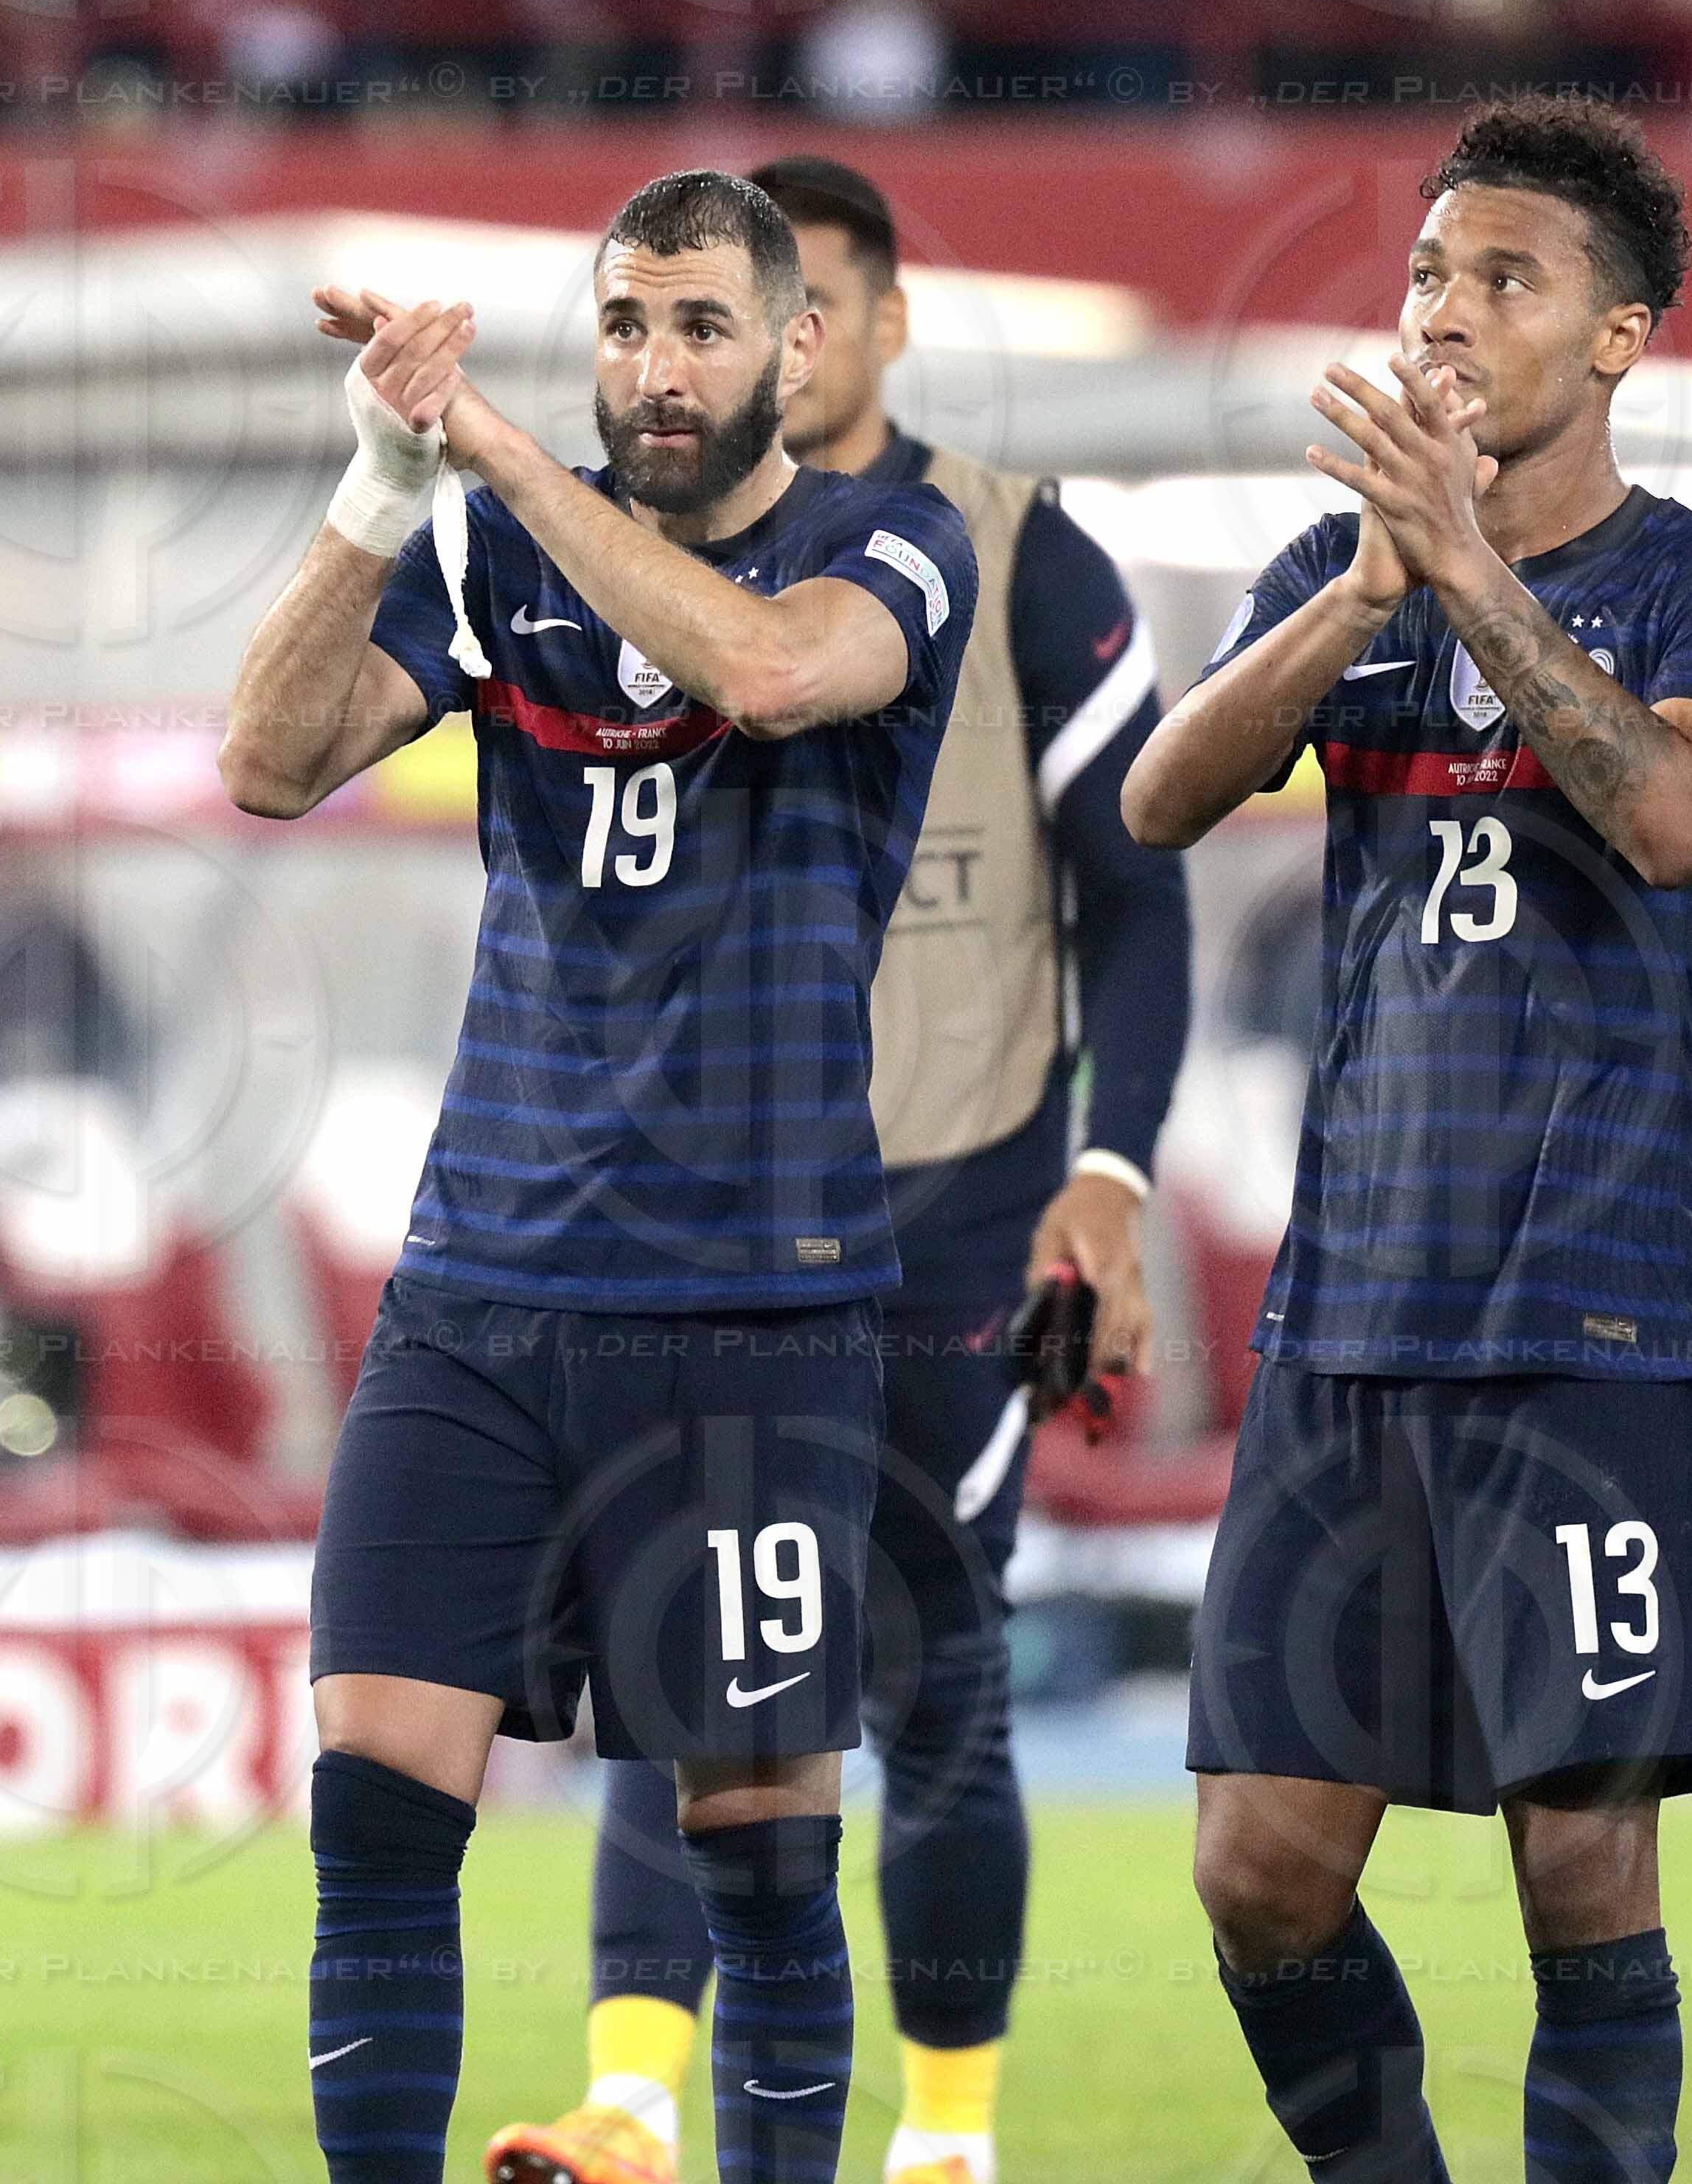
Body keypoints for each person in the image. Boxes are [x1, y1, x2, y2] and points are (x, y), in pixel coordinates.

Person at [218, 170, 978, 2184]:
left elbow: (769, 676)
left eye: (702, 327)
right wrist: (386, 482)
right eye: (627, 325)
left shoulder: (891, 542)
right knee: (376, 1821)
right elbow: (268, 761)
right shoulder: (485, 548)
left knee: (761, 1871)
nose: (656, 369)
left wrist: (495, 460)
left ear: (795, 350)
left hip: (755, 1317)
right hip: (479, 1298)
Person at [1121, 97, 1692, 2184]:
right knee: (1258, 1869)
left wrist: (1479, 575)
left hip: (1586, 1318)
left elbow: (1680, 818)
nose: (1444, 314)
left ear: (1618, 337)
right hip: (1352, 1318)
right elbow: (1160, 800)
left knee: (1581, 1871)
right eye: (1428, 273)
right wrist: (1365, 589)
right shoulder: (1349, 573)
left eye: (1502, 278)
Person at [492, 154, 1194, 2184]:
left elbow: (1134, 901)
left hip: (946, 1206)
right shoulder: (612, 550)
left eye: (819, 310)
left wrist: (1114, 1174)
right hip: (692, 1206)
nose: (782, 346)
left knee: (931, 1652)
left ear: (867, 325)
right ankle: (631, 2106)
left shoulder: (1017, 554)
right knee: (678, 1639)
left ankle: (949, 2136)